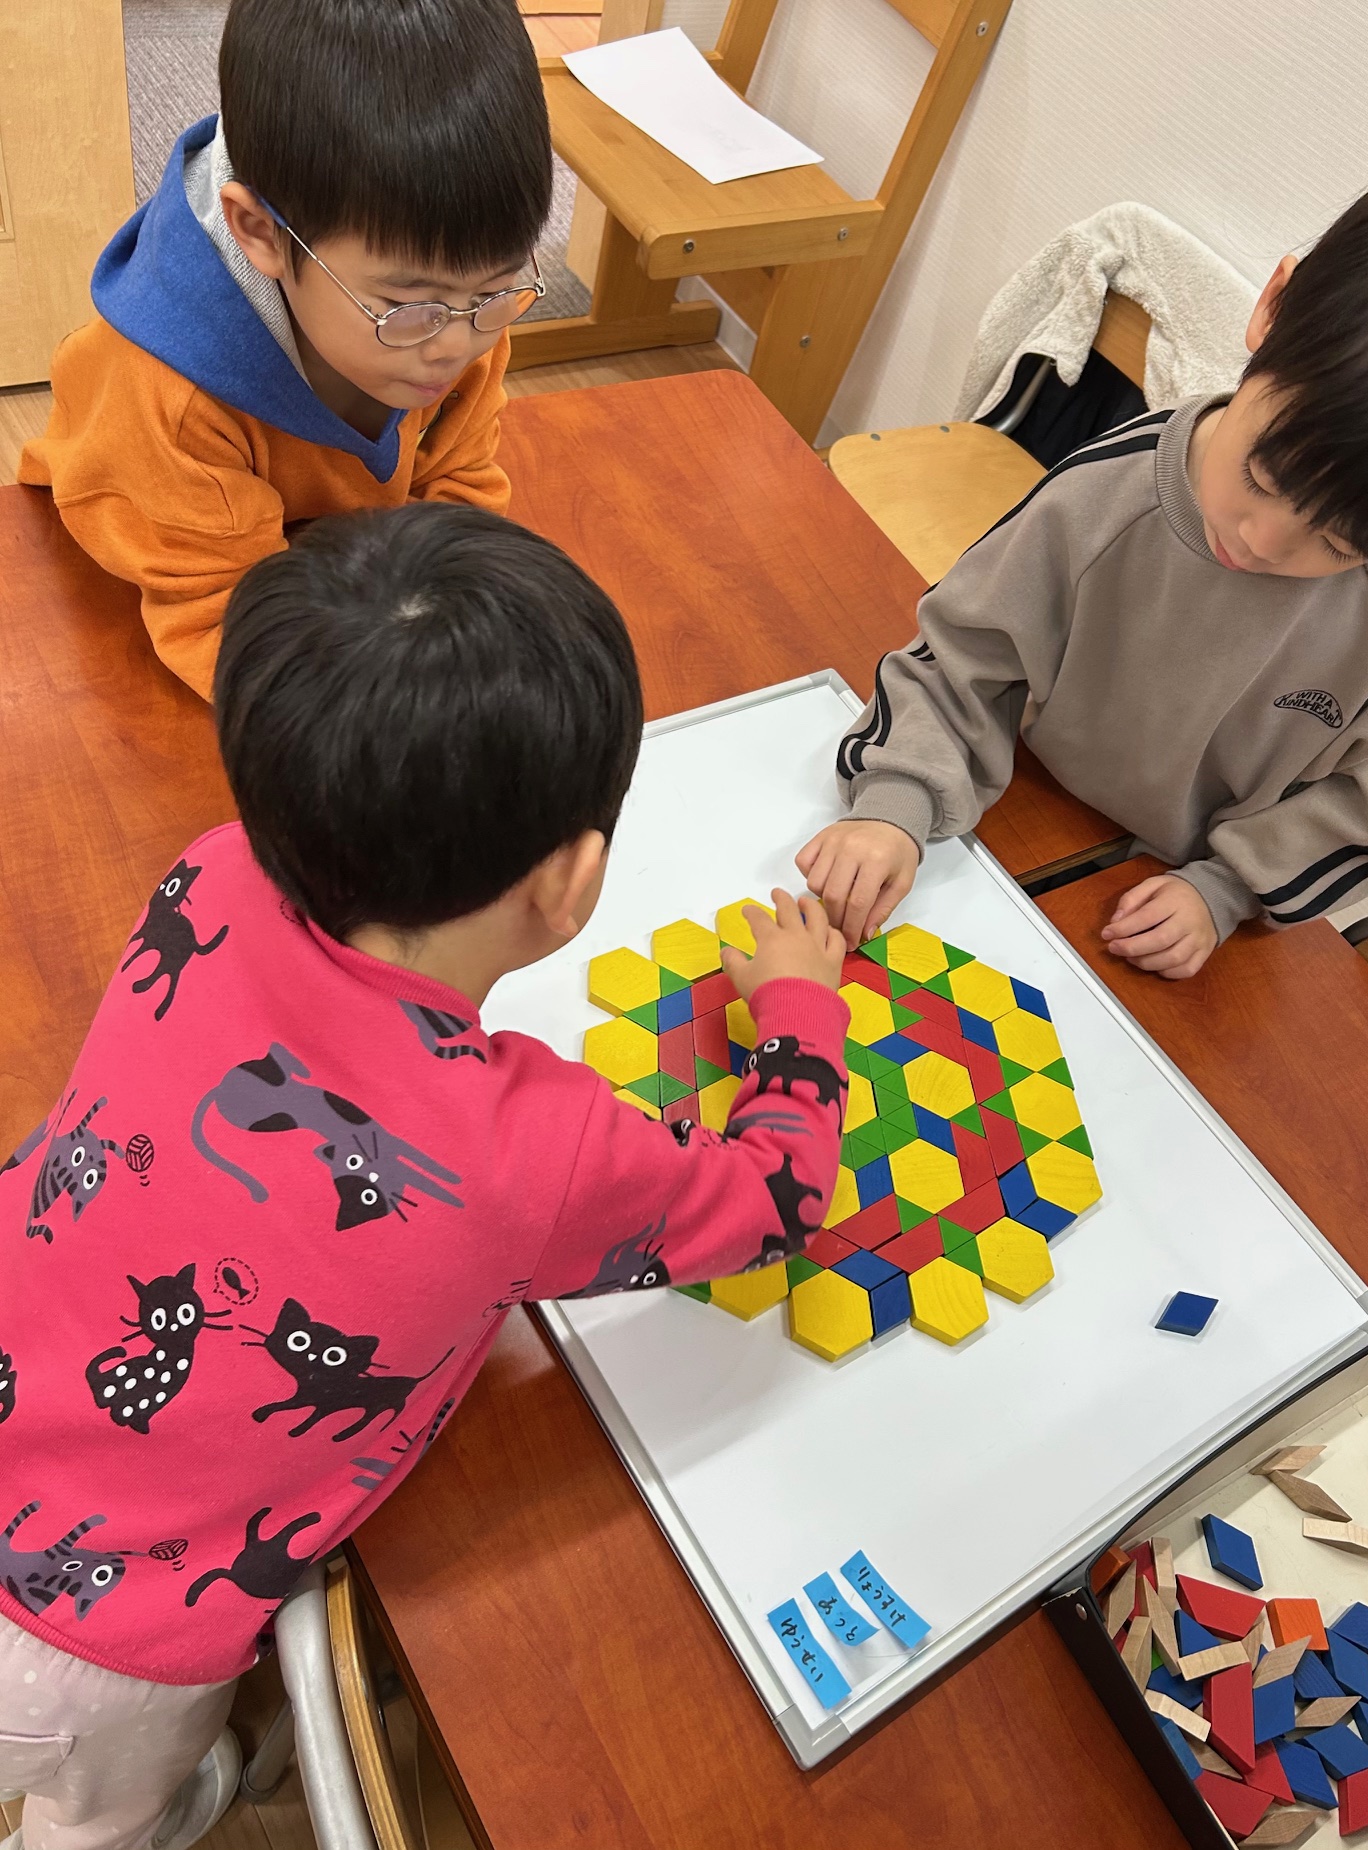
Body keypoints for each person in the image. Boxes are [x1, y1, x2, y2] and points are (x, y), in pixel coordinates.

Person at [0, 505, 848, 1850]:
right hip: (100, 1650)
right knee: (93, 1819)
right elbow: (778, 1198)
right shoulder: (531, 1149)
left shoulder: (206, 874)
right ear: (570, 881)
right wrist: (798, 1009)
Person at [799, 131, 1368, 979]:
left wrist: (1230, 887)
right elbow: (962, 655)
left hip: (1198, 902)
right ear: (1274, 306)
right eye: (1263, 475)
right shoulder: (1111, 488)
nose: (1261, 541)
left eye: (1339, 543)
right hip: (1022, 812)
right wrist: (896, 801)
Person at [19, 0, 552, 701]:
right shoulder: (164, 396)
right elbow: (222, 622)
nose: (460, 344)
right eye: (408, 305)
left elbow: (460, 489)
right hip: (154, 548)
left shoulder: (451, 304)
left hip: (333, 558)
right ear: (259, 232)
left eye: (495, 289)